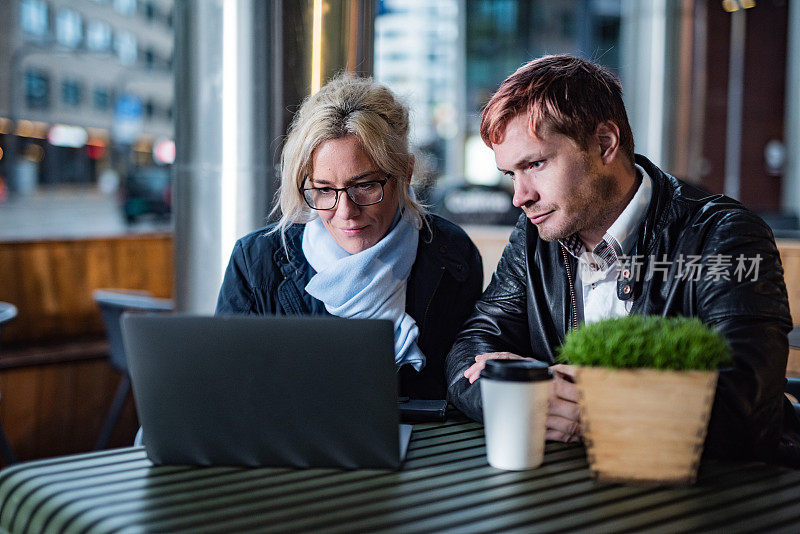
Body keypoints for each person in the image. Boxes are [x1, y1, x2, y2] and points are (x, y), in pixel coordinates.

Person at [445, 54, 800, 465]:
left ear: (605, 144)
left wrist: (597, 412)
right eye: (511, 174)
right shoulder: (536, 235)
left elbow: (745, 404)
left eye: (536, 164)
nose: (520, 196)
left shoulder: (725, 237)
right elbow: (471, 349)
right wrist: (523, 396)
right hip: (577, 487)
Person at [216, 74, 483, 400]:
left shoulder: (451, 255)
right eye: (324, 190)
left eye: (365, 185)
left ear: (405, 173)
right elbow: (228, 391)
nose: (345, 211)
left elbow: (462, 384)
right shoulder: (255, 261)